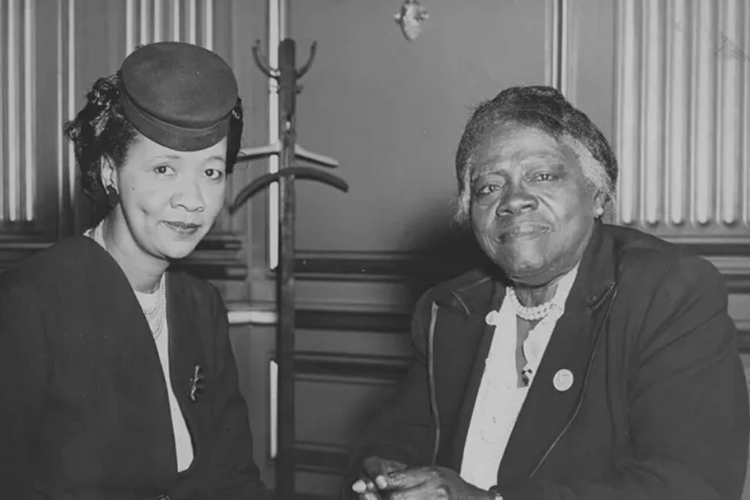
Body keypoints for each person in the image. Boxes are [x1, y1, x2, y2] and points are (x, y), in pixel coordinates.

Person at [346, 86, 749, 500]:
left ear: (596, 194)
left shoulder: (667, 292)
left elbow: (693, 485)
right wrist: (386, 476)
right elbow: (402, 435)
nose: (514, 201)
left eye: (542, 176)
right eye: (488, 187)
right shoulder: (448, 308)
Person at [0, 41, 267, 499]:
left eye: (211, 172)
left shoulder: (201, 306)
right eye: (165, 168)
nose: (193, 200)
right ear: (109, 171)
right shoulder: (31, 301)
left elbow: (234, 479)